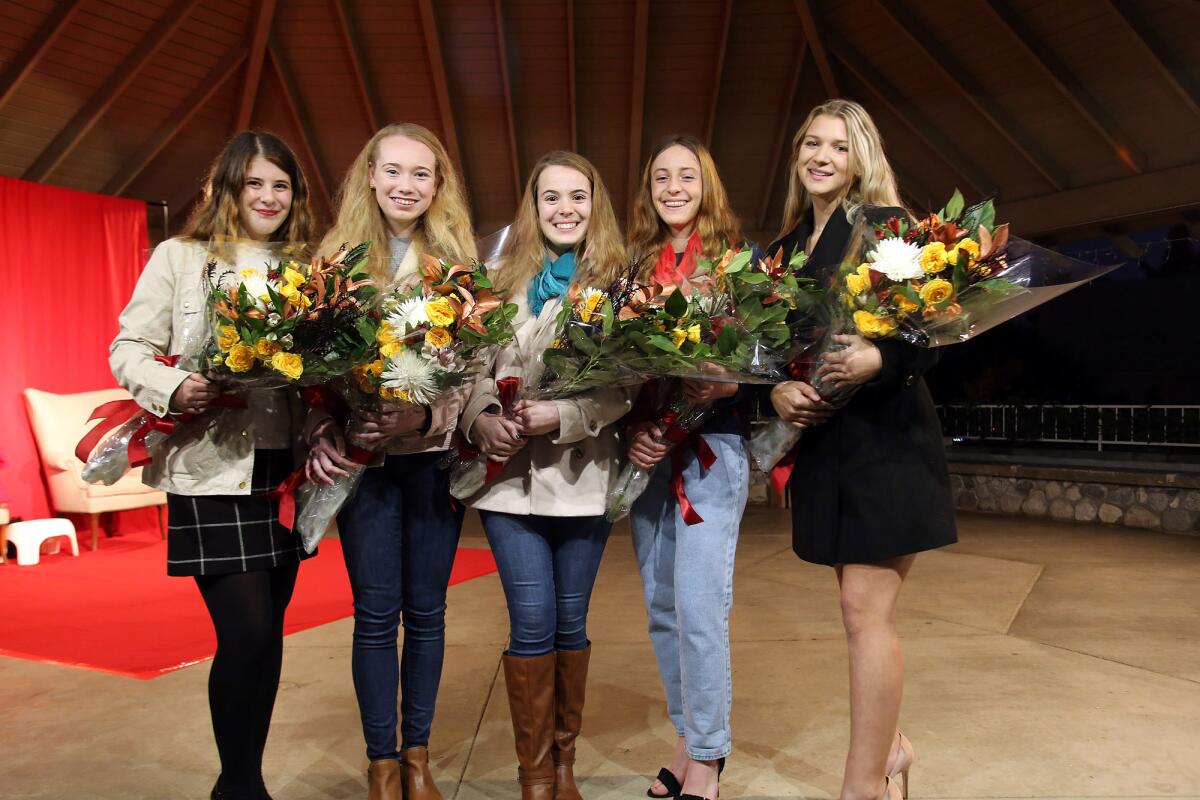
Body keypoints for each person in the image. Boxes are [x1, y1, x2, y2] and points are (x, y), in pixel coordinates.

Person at [110, 130, 317, 800]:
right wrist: (173, 388)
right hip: (211, 464)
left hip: (282, 468)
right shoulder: (181, 256)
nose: (268, 196)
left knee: (267, 638)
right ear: (225, 187)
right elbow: (128, 347)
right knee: (247, 632)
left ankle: (244, 777)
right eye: (254, 182)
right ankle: (237, 785)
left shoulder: (305, 269)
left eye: (280, 185)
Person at [768, 99, 958, 800]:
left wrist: (883, 359)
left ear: (862, 157)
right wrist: (775, 394)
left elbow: (940, 328)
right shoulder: (783, 249)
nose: (822, 157)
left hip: (886, 438)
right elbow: (770, 355)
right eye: (811, 143)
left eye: (839, 147)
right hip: (824, 442)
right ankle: (894, 751)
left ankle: (862, 789)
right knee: (854, 608)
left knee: (862, 610)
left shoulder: (890, 231)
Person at [304, 123, 478, 800]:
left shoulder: (457, 267)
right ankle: (381, 761)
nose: (406, 186)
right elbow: (307, 375)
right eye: (394, 171)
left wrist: (425, 412)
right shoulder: (336, 261)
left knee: (428, 612)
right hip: (366, 465)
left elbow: (472, 368)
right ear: (370, 176)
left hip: (431, 462)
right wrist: (323, 425)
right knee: (376, 613)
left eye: (421, 174)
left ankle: (418, 756)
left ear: (438, 186)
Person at [458, 151, 631, 800]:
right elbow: (469, 367)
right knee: (531, 621)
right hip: (507, 484)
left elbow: (627, 388)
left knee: (570, 623)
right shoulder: (499, 280)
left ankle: (564, 766)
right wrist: (479, 420)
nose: (565, 209)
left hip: (583, 479)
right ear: (532, 208)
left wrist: (560, 412)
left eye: (578, 197)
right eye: (551, 197)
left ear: (596, 206)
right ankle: (535, 776)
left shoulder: (616, 284)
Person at [623, 135, 748, 800]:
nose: (674, 187)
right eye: (662, 177)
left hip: (710, 451)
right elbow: (617, 363)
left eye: (687, 176)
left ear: (707, 184)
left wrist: (725, 383)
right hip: (648, 452)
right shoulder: (632, 267)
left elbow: (759, 358)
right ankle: (686, 733)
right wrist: (640, 426)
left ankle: (708, 756)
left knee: (701, 608)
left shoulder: (735, 264)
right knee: (664, 610)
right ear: (648, 188)